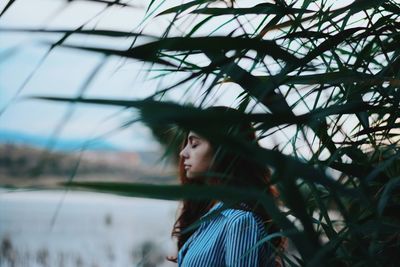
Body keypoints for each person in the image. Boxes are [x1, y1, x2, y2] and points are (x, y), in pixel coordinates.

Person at [166, 106, 286, 266]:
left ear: (223, 149)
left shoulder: (241, 222)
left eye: (194, 144)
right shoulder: (212, 215)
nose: (183, 153)